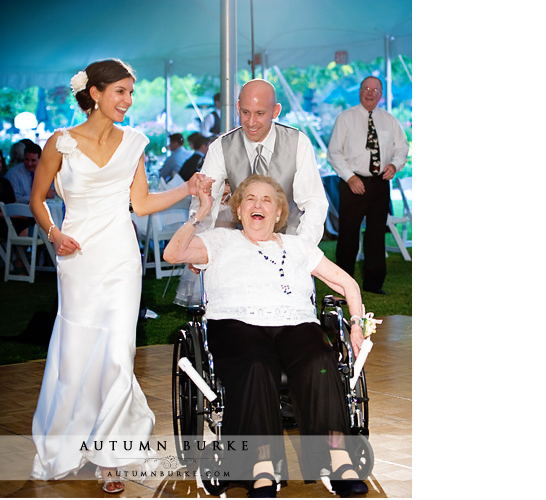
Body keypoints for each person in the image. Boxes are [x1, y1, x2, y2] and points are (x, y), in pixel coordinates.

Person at [28, 58, 212, 493]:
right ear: (95, 93)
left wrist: (187, 189)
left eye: (131, 93)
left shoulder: (135, 142)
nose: (128, 101)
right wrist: (55, 234)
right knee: (76, 352)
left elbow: (142, 204)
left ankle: (109, 457)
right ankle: (68, 441)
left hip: (121, 257)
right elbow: (38, 200)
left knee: (117, 352)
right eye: (120, 92)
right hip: (78, 260)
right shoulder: (60, 143)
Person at [164, 175, 370, 498]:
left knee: (320, 358)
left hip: (295, 323)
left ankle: (338, 457)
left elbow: (348, 285)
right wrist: (200, 212)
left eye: (266, 200)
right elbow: (172, 254)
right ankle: (262, 469)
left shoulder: (299, 246)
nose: (257, 205)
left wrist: (355, 324)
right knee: (257, 364)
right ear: (239, 209)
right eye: (249, 199)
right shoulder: (220, 241)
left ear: (277, 214)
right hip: (235, 324)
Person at [194, 79, 328, 246]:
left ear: (275, 111)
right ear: (237, 108)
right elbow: (205, 199)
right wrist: (199, 243)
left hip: (291, 241)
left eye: (260, 113)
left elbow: (313, 202)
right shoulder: (220, 147)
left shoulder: (298, 143)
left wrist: (303, 246)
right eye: (245, 112)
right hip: (242, 245)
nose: (251, 122)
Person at [326, 76, 409, 295]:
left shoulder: (389, 120)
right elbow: (333, 152)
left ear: (381, 95)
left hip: (380, 183)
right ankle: (344, 284)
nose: (370, 92)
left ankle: (374, 284)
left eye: (375, 89)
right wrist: (350, 177)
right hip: (352, 182)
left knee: (376, 236)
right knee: (348, 236)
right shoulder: (345, 118)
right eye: (366, 88)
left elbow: (402, 147)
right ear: (360, 91)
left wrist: (394, 164)